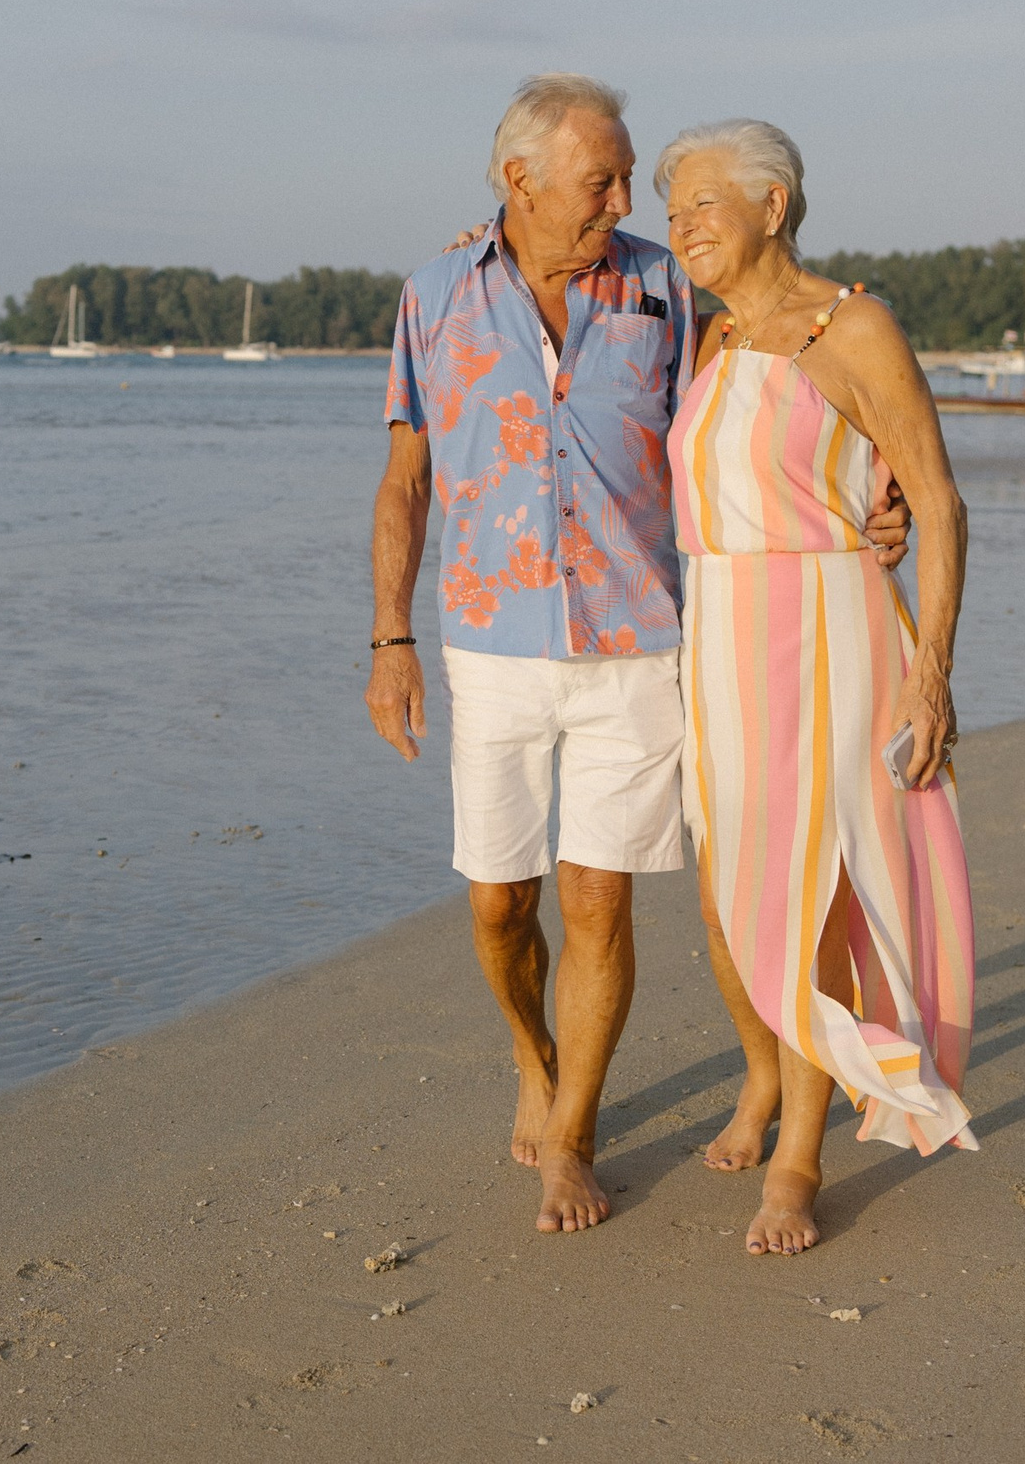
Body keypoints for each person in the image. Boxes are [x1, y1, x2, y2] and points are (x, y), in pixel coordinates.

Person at [364, 77, 907, 1233]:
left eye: (625, 179)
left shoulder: (666, 288)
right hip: (490, 645)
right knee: (500, 906)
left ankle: (573, 1138)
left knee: (599, 901)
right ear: (517, 181)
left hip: (638, 639)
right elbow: (405, 482)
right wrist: (388, 641)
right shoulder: (434, 298)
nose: (624, 199)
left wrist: (880, 492)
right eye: (599, 180)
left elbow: (770, 403)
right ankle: (532, 1055)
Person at [659, 119, 978, 1257]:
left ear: (772, 207)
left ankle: (799, 1156)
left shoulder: (854, 327)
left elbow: (933, 501)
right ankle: (768, 1080)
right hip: (721, 639)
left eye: (699, 203)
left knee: (804, 900)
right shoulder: (709, 335)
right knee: (726, 898)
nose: (679, 224)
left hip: (830, 633)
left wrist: (931, 673)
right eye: (669, 207)